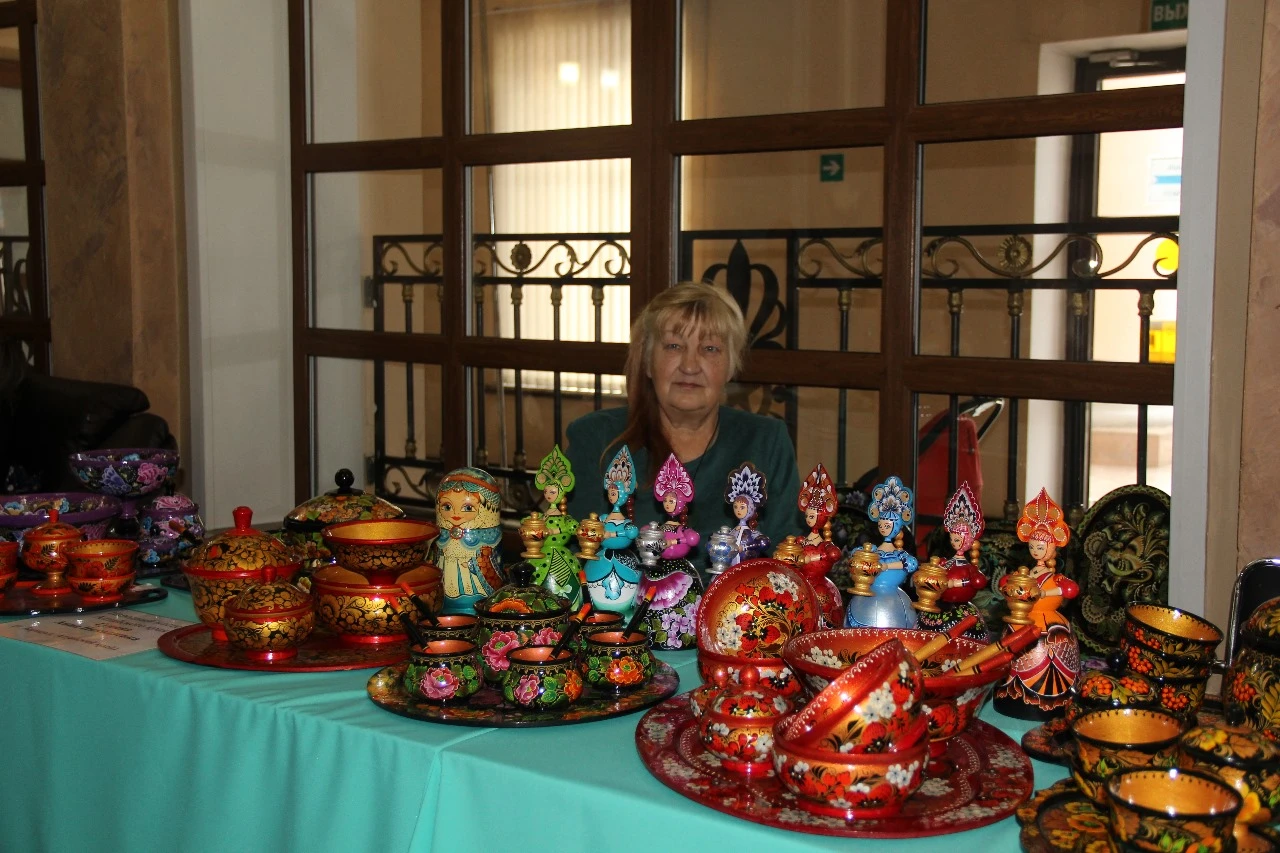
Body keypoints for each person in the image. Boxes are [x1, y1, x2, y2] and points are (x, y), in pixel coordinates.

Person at [565, 282, 801, 566]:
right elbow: (574, 559)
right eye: (673, 346)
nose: (690, 366)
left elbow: (788, 562)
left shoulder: (767, 441)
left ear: (731, 366)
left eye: (710, 348)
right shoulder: (595, 438)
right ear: (648, 362)